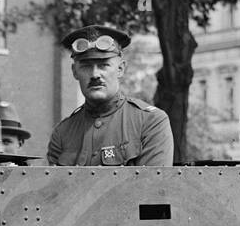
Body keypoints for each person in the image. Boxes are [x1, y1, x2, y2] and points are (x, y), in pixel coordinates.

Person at [47, 25, 174, 167]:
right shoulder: (62, 133)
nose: (95, 74)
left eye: (103, 65)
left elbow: (153, 186)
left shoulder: (150, 122)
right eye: (86, 66)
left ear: (120, 69)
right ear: (75, 72)